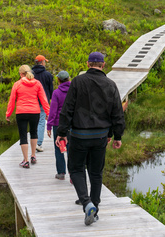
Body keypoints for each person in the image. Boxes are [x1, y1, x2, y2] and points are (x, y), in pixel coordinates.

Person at [56, 52, 125, 226]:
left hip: (79, 135)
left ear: (88, 64)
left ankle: (87, 204)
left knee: (76, 169)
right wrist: (117, 136)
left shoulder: (78, 82)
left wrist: (62, 132)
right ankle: (95, 211)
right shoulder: (111, 84)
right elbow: (117, 113)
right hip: (101, 136)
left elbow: (67, 109)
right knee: (96, 173)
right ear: (103, 65)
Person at [6, 65, 50, 168]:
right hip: (35, 112)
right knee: (34, 133)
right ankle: (33, 156)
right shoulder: (37, 83)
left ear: (20, 74)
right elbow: (44, 99)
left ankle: (25, 160)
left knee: (23, 136)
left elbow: (12, 101)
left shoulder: (17, 84)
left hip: (21, 112)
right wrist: (48, 113)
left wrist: (8, 114)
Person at [46, 70, 71, 180]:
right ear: (69, 79)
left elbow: (53, 111)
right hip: (72, 124)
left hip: (58, 124)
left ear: (58, 80)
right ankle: (73, 173)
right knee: (72, 149)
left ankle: (61, 173)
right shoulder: (74, 91)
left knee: (60, 148)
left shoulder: (56, 92)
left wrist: (49, 126)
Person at [32, 55, 54, 152]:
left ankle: (33, 142)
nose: (45, 63)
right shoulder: (48, 75)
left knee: (34, 122)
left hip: (32, 101)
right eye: (44, 61)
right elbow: (51, 90)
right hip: (43, 102)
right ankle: (39, 144)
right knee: (41, 121)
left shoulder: (30, 75)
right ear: (42, 63)